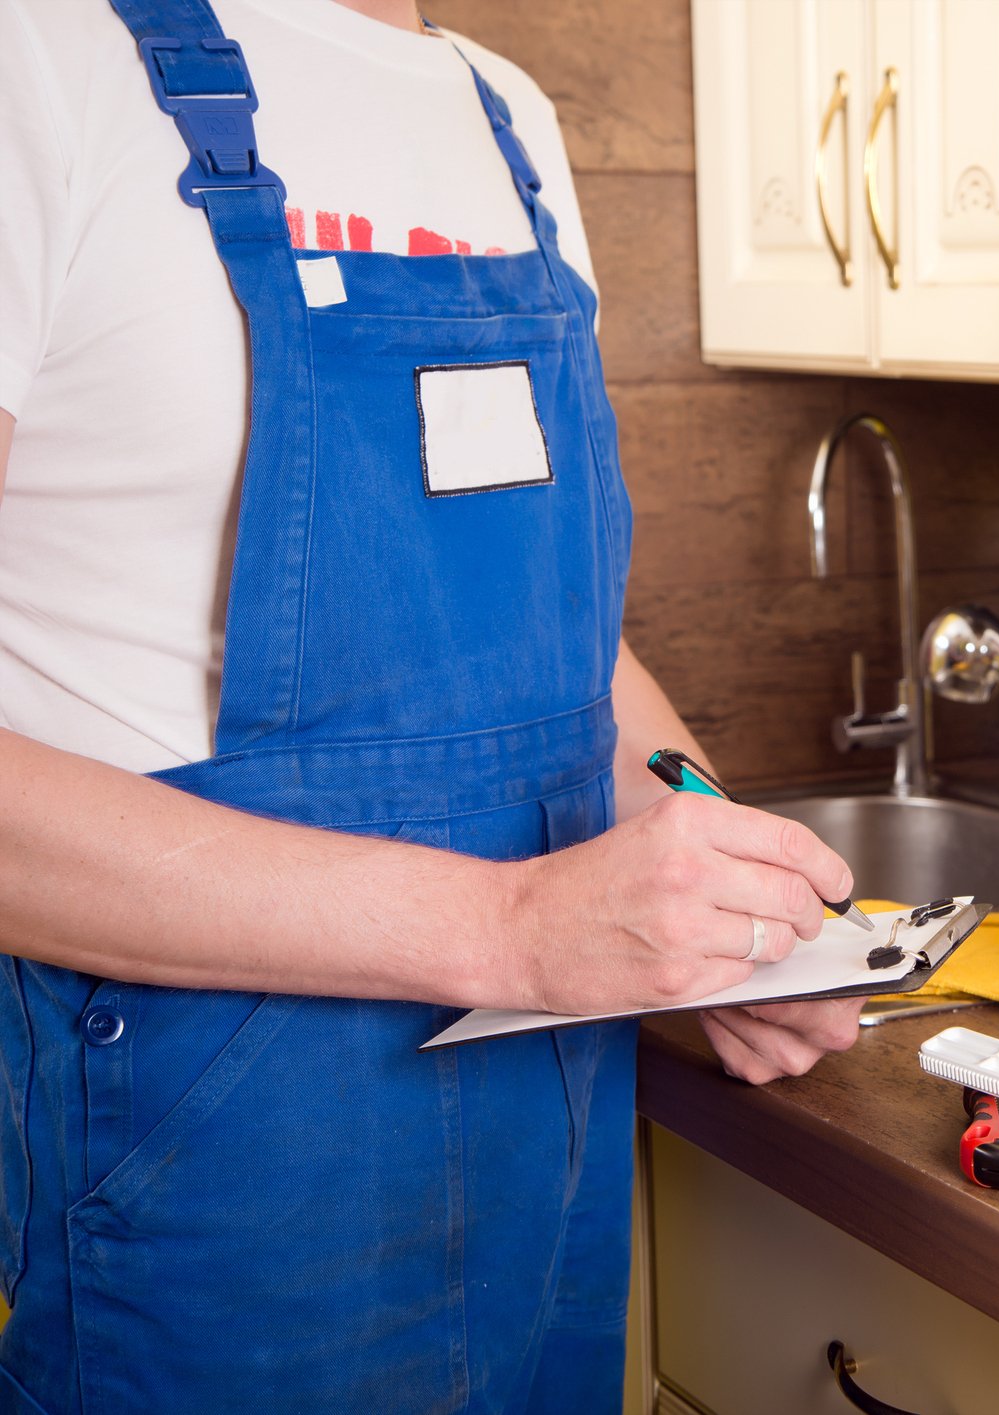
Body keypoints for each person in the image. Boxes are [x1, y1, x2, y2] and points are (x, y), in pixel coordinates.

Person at [0, 0, 865, 1407]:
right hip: (205, 1196)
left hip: (542, 1166)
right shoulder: (38, 61)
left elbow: (562, 649)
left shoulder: (502, 115)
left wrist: (723, 885)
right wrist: (510, 931)